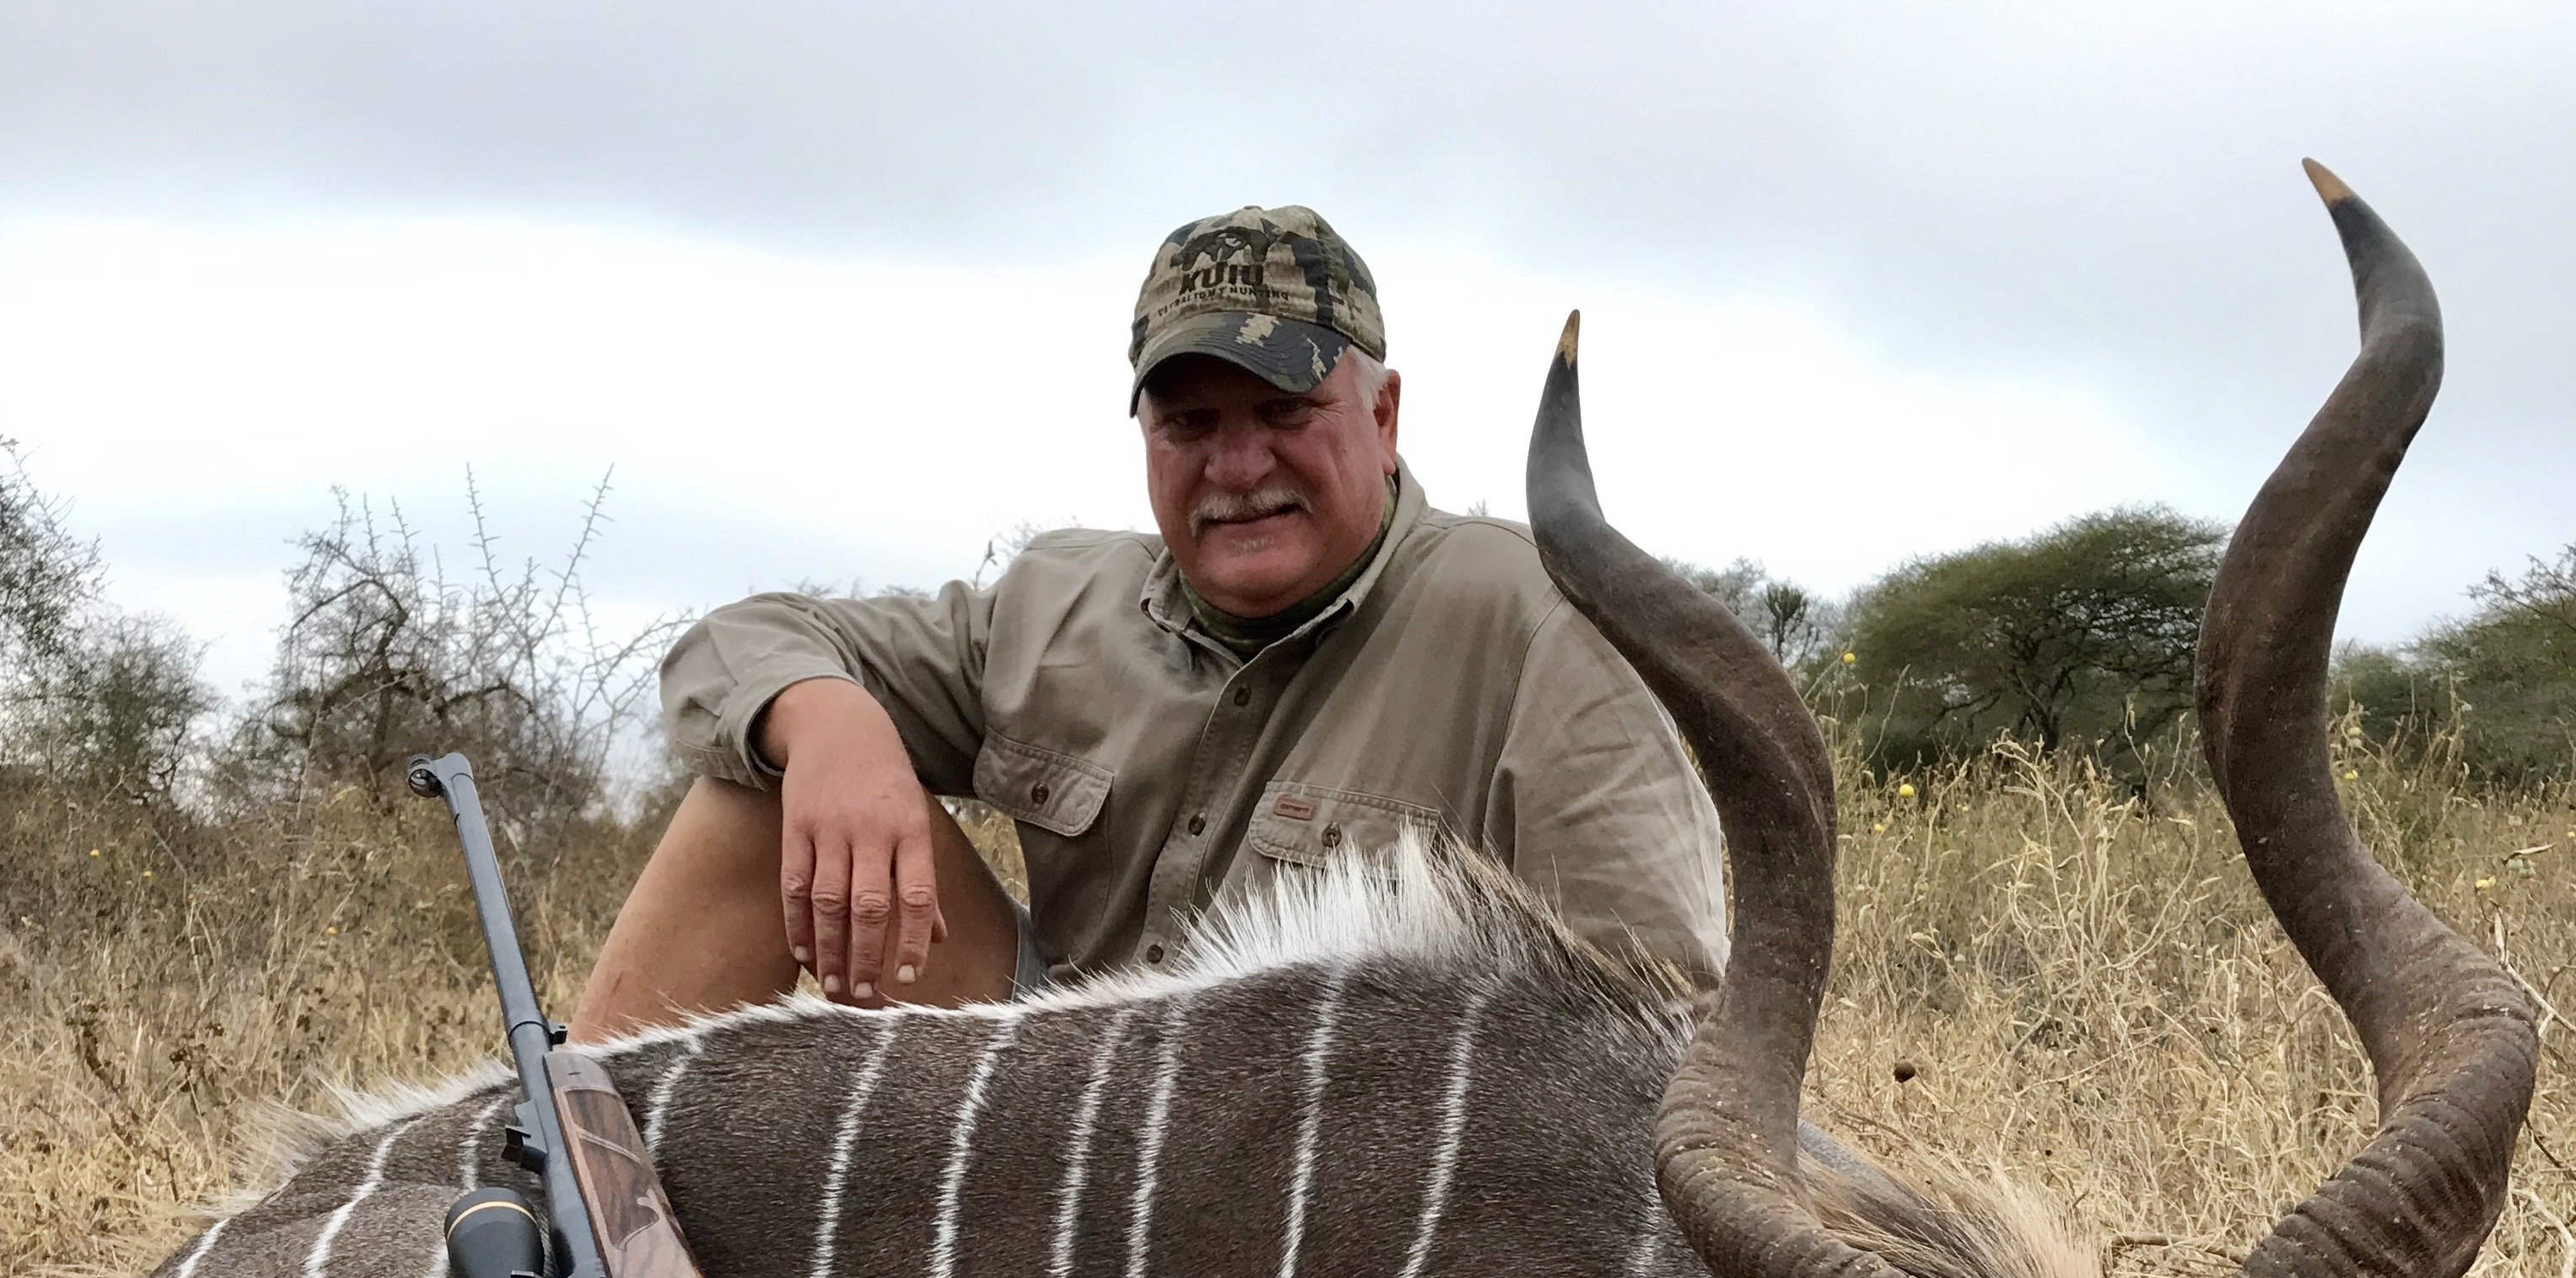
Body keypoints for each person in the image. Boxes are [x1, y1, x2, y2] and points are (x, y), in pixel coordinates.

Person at [571, 205, 1723, 1041]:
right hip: (1056, 1117)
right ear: (1143, 435)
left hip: (1332, 1185)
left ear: (1383, 413)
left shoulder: (1543, 622)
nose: (1236, 464)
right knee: (760, 781)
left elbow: (1653, 1019)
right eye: (1190, 423)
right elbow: (731, 645)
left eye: (1284, 410)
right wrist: (827, 725)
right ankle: (570, 1218)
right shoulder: (1054, 602)